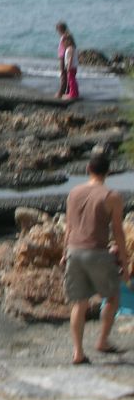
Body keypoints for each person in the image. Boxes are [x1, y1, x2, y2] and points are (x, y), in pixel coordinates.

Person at [60, 150, 129, 364]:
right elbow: (118, 232)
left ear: (88, 169)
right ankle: (102, 341)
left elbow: (68, 228)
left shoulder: (73, 193)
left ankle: (78, 352)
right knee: (112, 296)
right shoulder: (112, 196)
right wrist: (125, 263)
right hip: (97, 253)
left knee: (79, 303)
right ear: (108, 172)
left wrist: (64, 254)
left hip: (74, 250)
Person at [63, 32, 79, 100]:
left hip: (71, 67)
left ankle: (73, 94)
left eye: (65, 40)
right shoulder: (72, 48)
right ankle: (74, 93)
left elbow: (70, 58)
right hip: (73, 67)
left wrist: (68, 66)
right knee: (72, 80)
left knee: (71, 80)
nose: (64, 42)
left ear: (69, 41)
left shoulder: (70, 48)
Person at [55, 21, 69, 98]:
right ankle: (66, 90)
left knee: (63, 74)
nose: (58, 32)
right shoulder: (64, 37)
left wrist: (64, 57)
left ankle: (61, 91)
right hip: (62, 57)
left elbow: (67, 48)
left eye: (58, 30)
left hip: (64, 57)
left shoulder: (65, 37)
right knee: (64, 74)